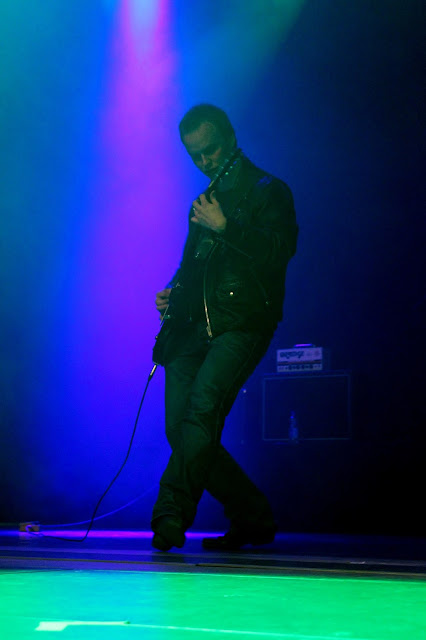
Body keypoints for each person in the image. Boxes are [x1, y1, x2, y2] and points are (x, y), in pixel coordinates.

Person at [151, 104, 298, 551]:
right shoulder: (204, 201)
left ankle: (170, 514)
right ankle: (252, 515)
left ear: (231, 137)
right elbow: (194, 266)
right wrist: (173, 292)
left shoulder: (269, 190)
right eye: (194, 155)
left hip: (241, 324)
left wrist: (227, 227)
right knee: (180, 427)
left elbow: (278, 251)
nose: (204, 161)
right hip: (192, 328)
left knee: (201, 412)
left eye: (210, 150)